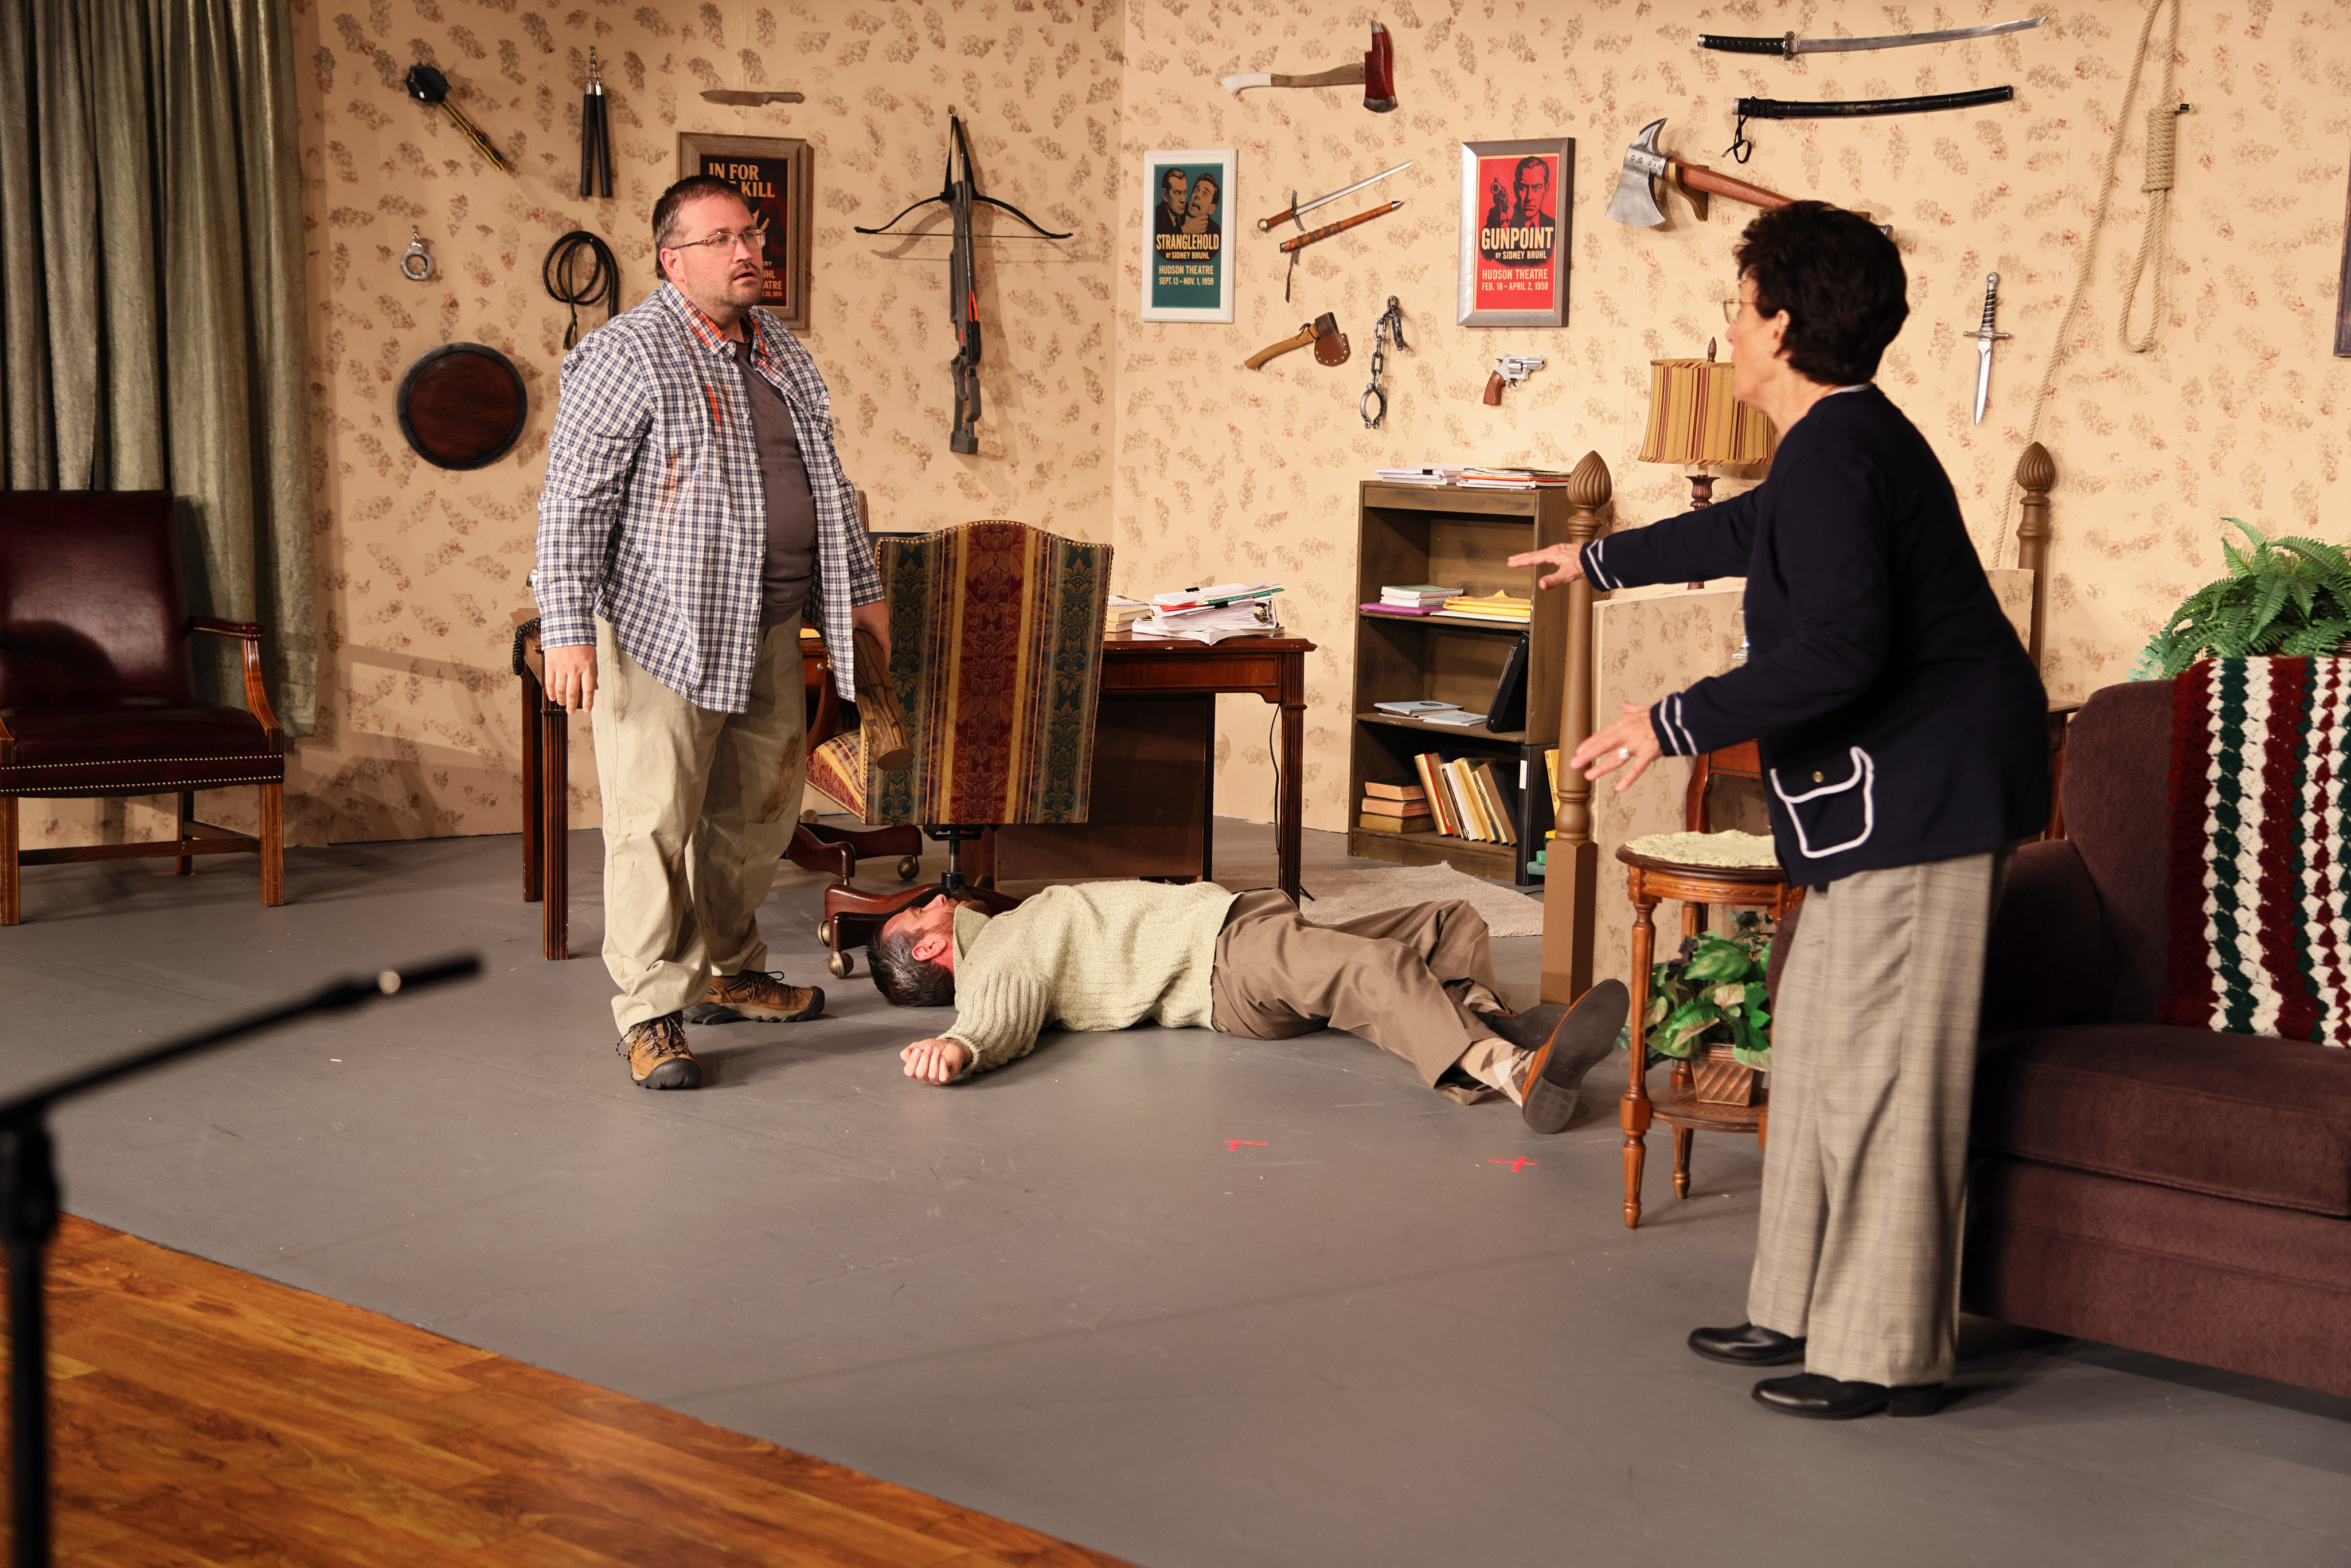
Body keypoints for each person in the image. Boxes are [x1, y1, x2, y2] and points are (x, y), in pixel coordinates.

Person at [1508, 201, 2048, 1420]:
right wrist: (1600, 560)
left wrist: (1670, 719)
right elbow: (1749, 526)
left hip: (1933, 795)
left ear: (1786, 325)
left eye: (1740, 306)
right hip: (1891, 800)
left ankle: (1883, 1355)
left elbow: (1843, 649)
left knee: (1885, 1075)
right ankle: (1799, 1305)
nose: (1730, 328)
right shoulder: (1828, 444)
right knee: (1814, 1041)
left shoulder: (1845, 450)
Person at [536, 174, 891, 1091]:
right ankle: (650, 1011)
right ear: (673, 259)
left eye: (752, 235)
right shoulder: (625, 354)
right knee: (654, 822)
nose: (747, 252)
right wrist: (567, 629)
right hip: (665, 631)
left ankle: (729, 970)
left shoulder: (781, 348)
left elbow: (825, 479)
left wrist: (861, 591)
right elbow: (573, 502)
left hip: (772, 623)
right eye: (722, 239)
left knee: (757, 817)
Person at [870, 883, 1626, 1130]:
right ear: (932, 948)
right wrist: (961, 1045)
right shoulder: (996, 953)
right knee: (1375, 966)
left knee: (1446, 921)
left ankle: (1487, 1014)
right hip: (1224, 965)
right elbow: (997, 1009)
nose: (935, 898)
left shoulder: (1007, 926)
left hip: (1242, 928)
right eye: (920, 911)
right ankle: (1511, 1068)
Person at [1179, 173, 1220, 238]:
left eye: (1205, 194)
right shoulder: (1176, 213)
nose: (1198, 195)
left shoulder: (1214, 230)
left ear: (1211, 209)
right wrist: (1184, 230)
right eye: (1196, 191)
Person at [1154, 167, 1190, 236]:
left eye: (1185, 193)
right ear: (1165, 195)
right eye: (1177, 193)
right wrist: (1183, 230)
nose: (1183, 200)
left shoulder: (1190, 211)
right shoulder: (1155, 218)